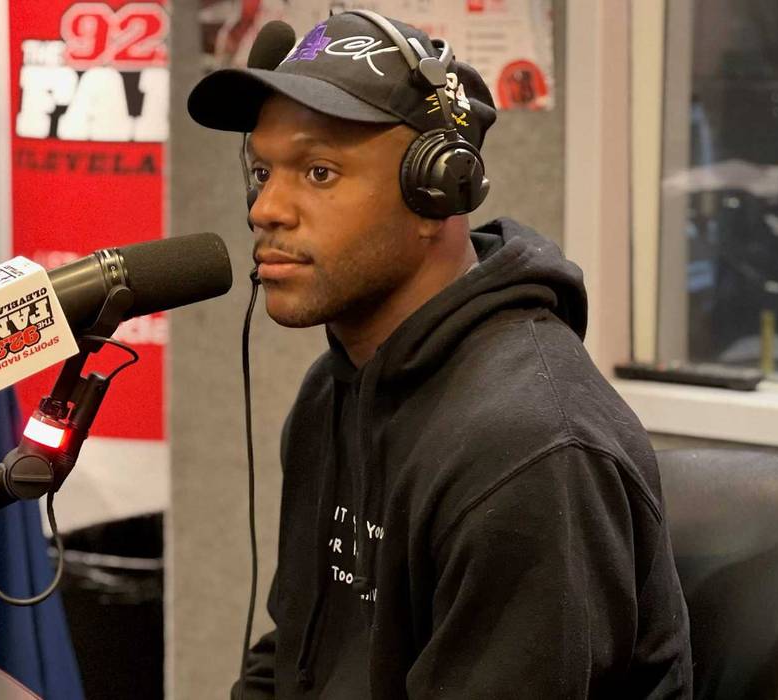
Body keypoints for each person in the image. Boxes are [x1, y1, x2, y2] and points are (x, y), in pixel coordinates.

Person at [187, 11, 692, 699]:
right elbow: (291, 659)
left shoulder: (527, 447)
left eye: (319, 172)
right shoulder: (330, 393)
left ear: (436, 191)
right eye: (262, 171)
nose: (266, 209)